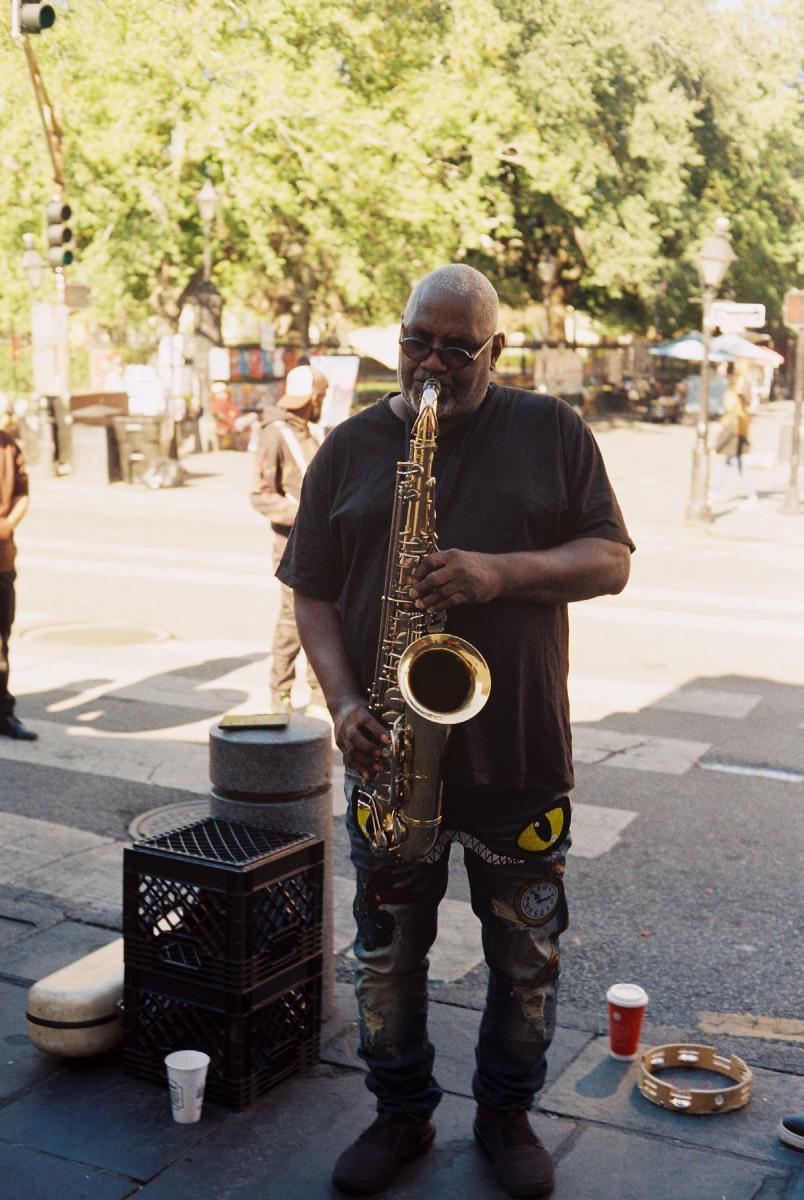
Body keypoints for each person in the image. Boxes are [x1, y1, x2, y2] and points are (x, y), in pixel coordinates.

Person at [277, 264, 634, 1198]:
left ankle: (506, 1116)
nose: (431, 366)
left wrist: (495, 575)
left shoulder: (551, 430)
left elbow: (611, 561)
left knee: (527, 954)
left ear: (497, 349)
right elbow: (309, 592)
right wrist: (345, 702)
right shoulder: (350, 448)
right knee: (386, 956)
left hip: (518, 753)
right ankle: (399, 1117)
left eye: (456, 349)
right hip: (392, 756)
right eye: (415, 343)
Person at [251, 364, 328, 712]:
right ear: (311, 398)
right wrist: (306, 515)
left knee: (323, 614)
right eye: (321, 397)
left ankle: (317, 690)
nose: (323, 403)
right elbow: (261, 494)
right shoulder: (276, 433)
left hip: (317, 540)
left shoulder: (308, 431)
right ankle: (279, 692)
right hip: (291, 542)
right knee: (293, 617)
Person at [0, 400, 37, 741]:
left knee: (1, 639)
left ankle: (2, 712)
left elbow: (24, 492)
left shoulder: (8, 446)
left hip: (2, 559)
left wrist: (8, 524)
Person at [711, 384, 758, 508]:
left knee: (738, 470)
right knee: (726, 469)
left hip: (733, 450)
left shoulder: (735, 416)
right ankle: (714, 494)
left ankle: (752, 496)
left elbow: (726, 435)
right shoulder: (741, 414)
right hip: (733, 450)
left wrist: (715, 448)